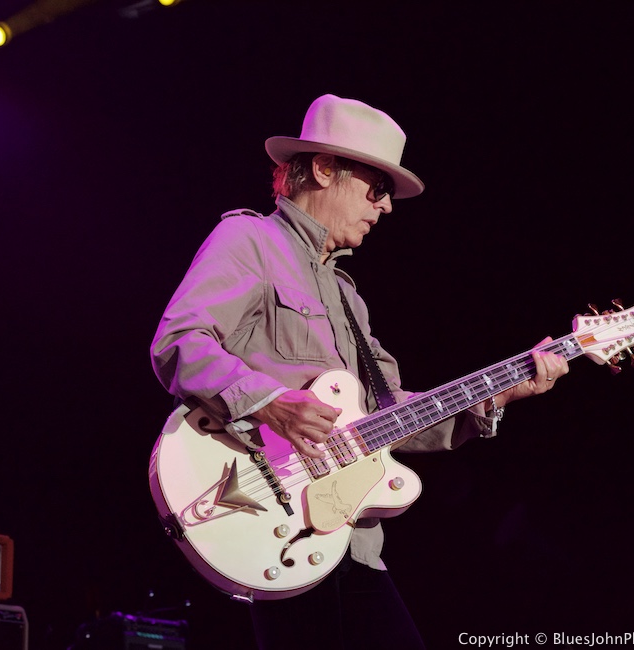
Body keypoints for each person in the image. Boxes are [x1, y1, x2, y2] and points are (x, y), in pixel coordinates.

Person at [149, 93, 569, 649]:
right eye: (377, 189)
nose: (386, 207)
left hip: (354, 544)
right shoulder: (250, 240)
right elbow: (180, 341)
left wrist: (499, 395)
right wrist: (271, 401)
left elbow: (389, 416)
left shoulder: (349, 295)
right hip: (272, 523)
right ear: (323, 169)